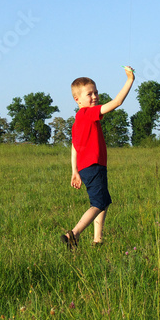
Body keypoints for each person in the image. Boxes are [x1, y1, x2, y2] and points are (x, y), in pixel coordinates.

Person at [62, 66, 135, 249]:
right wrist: (129, 80)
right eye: (89, 94)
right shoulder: (88, 114)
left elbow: (74, 148)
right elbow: (117, 102)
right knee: (98, 203)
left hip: (89, 167)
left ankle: (98, 240)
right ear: (77, 99)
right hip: (94, 166)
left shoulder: (78, 120)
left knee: (103, 202)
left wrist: (75, 171)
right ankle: (74, 234)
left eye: (96, 92)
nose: (94, 96)